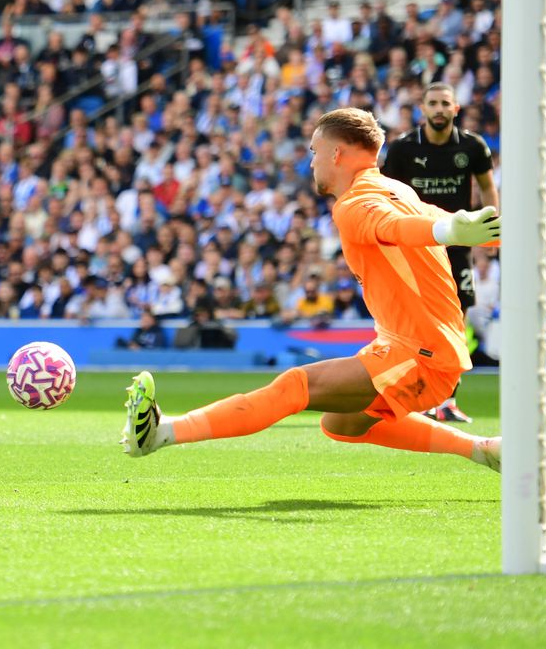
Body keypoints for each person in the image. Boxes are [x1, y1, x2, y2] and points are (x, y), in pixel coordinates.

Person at [122, 108, 513, 474]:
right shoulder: (398, 190)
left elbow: (394, 227)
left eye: (314, 151)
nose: (311, 161)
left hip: (421, 354)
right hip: (416, 348)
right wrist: (524, 235)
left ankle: (163, 433)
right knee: (341, 424)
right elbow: (446, 222)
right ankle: (483, 449)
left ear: (336, 153)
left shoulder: (356, 204)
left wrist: (449, 231)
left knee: (295, 386)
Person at [381, 82, 497, 423]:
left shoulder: (472, 146)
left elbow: (488, 188)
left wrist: (492, 233)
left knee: (456, 320)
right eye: (433, 102)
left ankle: (447, 400)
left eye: (445, 102)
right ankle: (408, 395)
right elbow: (387, 195)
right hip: (415, 245)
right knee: (411, 321)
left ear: (456, 108)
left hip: (457, 246)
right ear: (423, 108)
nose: (439, 108)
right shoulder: (403, 149)